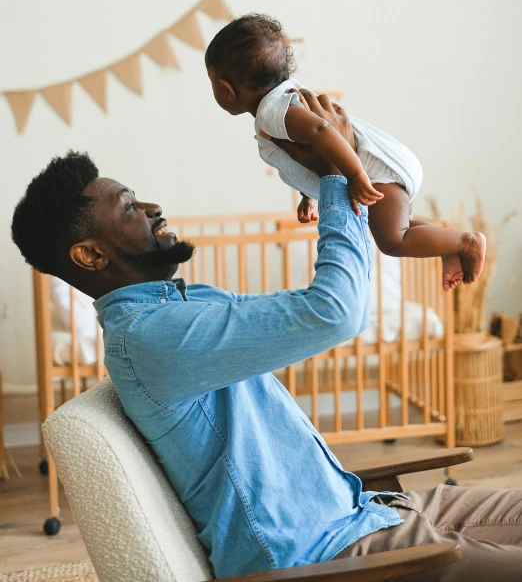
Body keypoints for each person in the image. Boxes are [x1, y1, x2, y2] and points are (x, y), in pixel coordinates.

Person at [11, 97, 522, 580]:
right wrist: (334, 173)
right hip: (326, 557)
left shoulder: (183, 304)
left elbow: (306, 310)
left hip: (364, 512)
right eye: (128, 208)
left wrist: (327, 187)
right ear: (90, 256)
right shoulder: (151, 338)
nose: (151, 206)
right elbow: (336, 312)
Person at [205, 14, 486, 292]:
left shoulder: (270, 112)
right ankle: (449, 246)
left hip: (374, 170)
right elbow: (310, 148)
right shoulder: (283, 100)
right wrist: (308, 195)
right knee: (392, 226)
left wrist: (354, 174)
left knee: (392, 242)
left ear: (227, 89)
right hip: (381, 165)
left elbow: (321, 131)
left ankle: (466, 242)